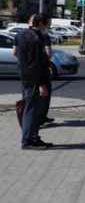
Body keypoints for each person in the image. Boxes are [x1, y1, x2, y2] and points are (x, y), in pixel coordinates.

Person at [17, 13, 53, 150]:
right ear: (40, 24)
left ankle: (34, 137)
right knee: (31, 111)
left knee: (35, 110)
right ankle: (28, 140)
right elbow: (34, 64)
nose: (48, 27)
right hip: (33, 81)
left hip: (29, 79)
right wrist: (41, 84)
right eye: (47, 25)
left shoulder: (25, 34)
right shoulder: (34, 39)